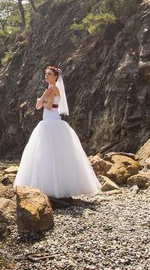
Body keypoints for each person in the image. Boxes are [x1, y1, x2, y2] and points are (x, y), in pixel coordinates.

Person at [14, 66, 101, 198]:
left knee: (51, 154)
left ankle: (54, 189)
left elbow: (48, 107)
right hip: (47, 122)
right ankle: (47, 186)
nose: (46, 76)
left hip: (52, 122)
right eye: (45, 73)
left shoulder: (54, 88)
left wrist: (41, 100)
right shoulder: (48, 89)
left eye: (49, 74)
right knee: (46, 154)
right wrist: (42, 97)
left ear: (55, 77)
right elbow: (37, 107)